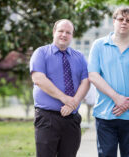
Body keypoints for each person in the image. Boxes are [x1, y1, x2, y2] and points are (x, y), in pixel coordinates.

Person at [87, 7, 129, 157]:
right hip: (105, 114)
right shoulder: (99, 45)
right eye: (120, 19)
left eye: (128, 20)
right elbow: (93, 75)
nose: (124, 23)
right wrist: (117, 98)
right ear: (113, 21)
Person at [30, 19, 90, 157]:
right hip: (47, 118)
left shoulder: (79, 57)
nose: (64, 34)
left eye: (68, 32)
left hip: (72, 119)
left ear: (72, 35)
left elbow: (86, 81)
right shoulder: (41, 53)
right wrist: (65, 98)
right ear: (54, 32)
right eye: (61, 31)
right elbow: (38, 79)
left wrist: (73, 103)